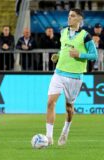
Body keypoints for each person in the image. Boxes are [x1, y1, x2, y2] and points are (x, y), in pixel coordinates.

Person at [46, 8, 97, 146]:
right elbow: (63, 49)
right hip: (59, 73)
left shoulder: (86, 36)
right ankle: (48, 137)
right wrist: (58, 55)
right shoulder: (63, 32)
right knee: (50, 103)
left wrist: (79, 55)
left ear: (80, 19)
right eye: (69, 16)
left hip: (75, 77)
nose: (69, 18)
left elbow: (94, 55)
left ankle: (66, 129)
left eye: (73, 16)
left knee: (69, 108)